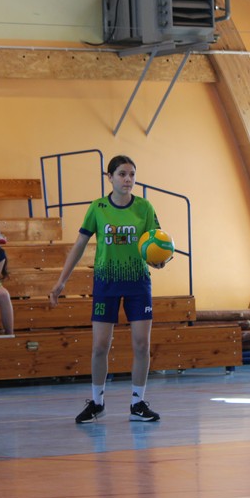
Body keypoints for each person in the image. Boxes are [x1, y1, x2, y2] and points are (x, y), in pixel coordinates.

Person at [49, 155, 164, 424]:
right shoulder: (97, 207)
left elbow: (156, 243)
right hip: (106, 282)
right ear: (109, 177)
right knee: (100, 345)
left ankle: (137, 403)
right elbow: (79, 245)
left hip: (137, 283)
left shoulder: (145, 208)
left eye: (132, 174)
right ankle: (97, 403)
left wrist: (159, 260)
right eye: (122, 174)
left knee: (141, 344)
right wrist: (62, 280)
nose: (128, 179)